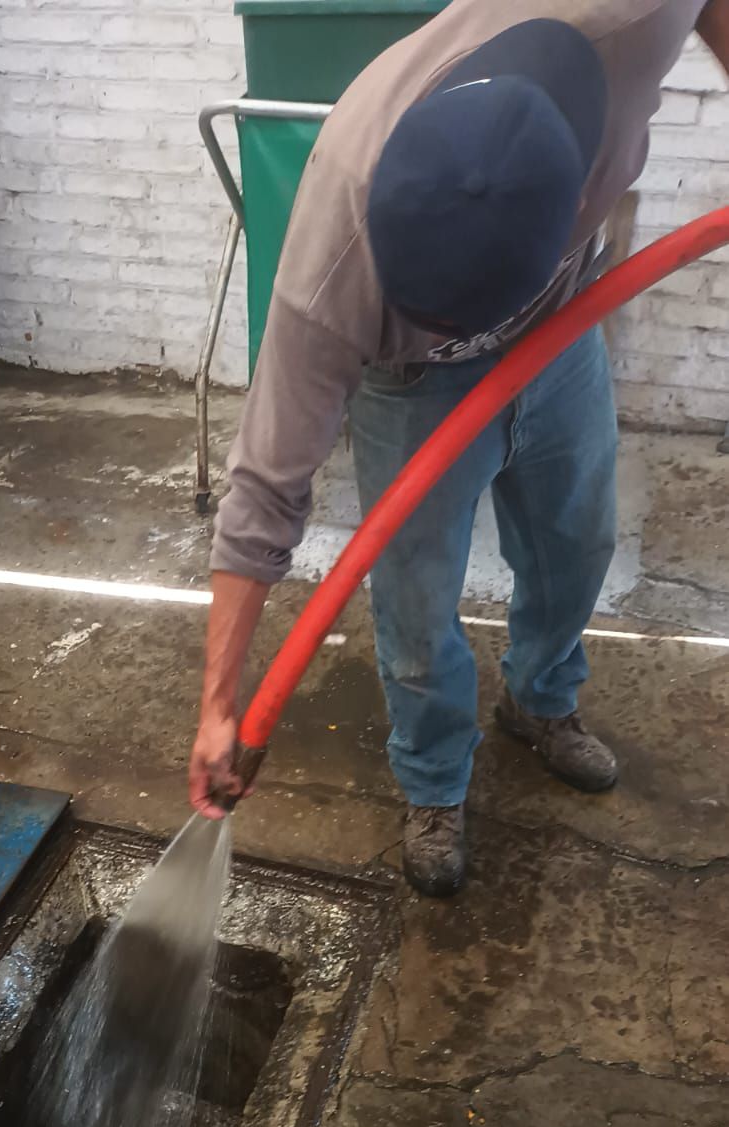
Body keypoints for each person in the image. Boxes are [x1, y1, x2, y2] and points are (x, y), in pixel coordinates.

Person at [190, 0, 729, 896]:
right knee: (416, 601)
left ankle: (541, 700)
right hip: (414, 392)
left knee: (578, 539)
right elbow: (262, 496)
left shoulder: (624, 24)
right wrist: (217, 711)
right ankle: (435, 782)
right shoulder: (333, 270)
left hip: (559, 334)